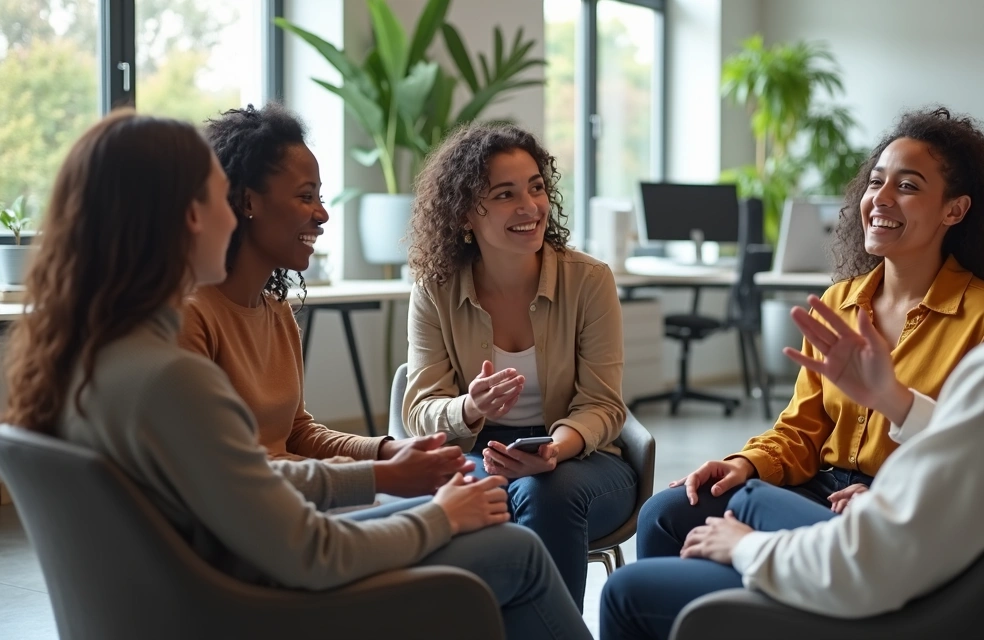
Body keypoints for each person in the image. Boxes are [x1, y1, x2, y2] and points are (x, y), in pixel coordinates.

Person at [599, 84, 984, 640]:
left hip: (927, 611)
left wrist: (745, 547)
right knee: (706, 507)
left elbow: (871, 564)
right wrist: (893, 401)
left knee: (630, 588)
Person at [2, 109, 591, 640]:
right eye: (219, 199)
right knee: (512, 549)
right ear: (193, 215)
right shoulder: (170, 378)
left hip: (214, 578)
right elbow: (310, 551)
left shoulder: (90, 355)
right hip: (247, 603)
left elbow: (245, 474)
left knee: (483, 529)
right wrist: (438, 515)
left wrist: (382, 468)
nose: (231, 217)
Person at [636, 107, 984, 563]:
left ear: (954, 210)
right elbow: (802, 431)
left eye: (907, 186)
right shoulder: (839, 301)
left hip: (909, 505)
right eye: (876, 182)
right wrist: (745, 463)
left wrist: (891, 494)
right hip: (820, 488)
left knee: (749, 512)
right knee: (666, 512)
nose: (880, 198)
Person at [402, 122, 638, 607]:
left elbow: (602, 405)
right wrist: (469, 407)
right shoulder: (434, 290)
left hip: (580, 456)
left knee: (544, 493)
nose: (530, 207)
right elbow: (420, 408)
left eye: (536, 187)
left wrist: (556, 448)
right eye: (505, 194)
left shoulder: (588, 281)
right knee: (477, 489)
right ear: (466, 213)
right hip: (475, 450)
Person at [178, 104, 442, 494]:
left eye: (320, 197)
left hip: (300, 504)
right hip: (267, 523)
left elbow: (296, 433)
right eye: (306, 196)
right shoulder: (191, 316)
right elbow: (225, 470)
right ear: (248, 202)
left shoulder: (276, 310)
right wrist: (378, 476)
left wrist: (388, 450)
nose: (322, 215)